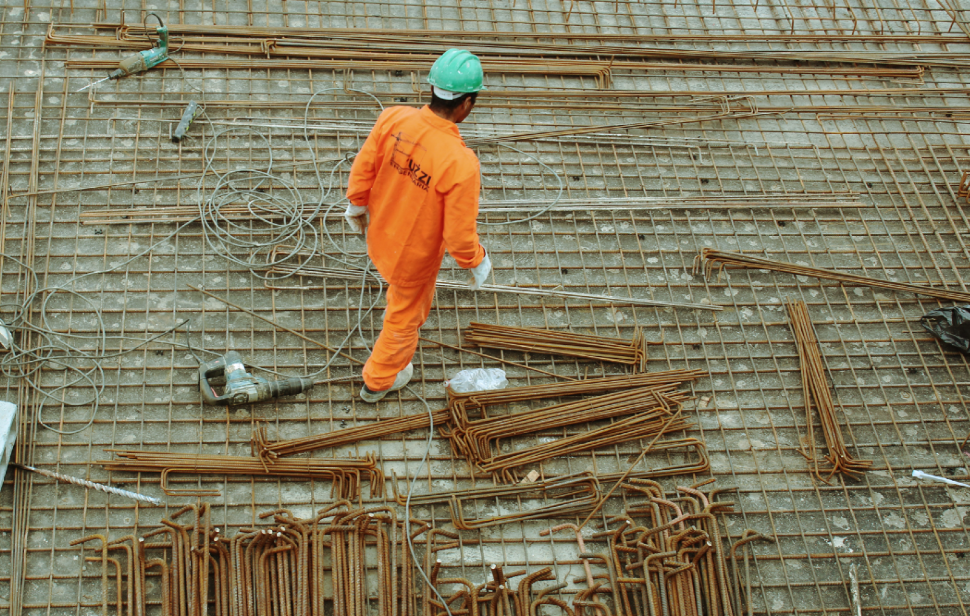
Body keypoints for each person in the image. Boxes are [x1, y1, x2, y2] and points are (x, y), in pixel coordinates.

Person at [344, 48, 491, 403]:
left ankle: (384, 371)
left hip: (380, 233)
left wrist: (356, 204)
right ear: (467, 104)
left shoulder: (393, 118)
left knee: (397, 299)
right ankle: (378, 381)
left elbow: (364, 166)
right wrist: (476, 260)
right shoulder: (461, 163)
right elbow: (458, 235)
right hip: (412, 257)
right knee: (403, 319)